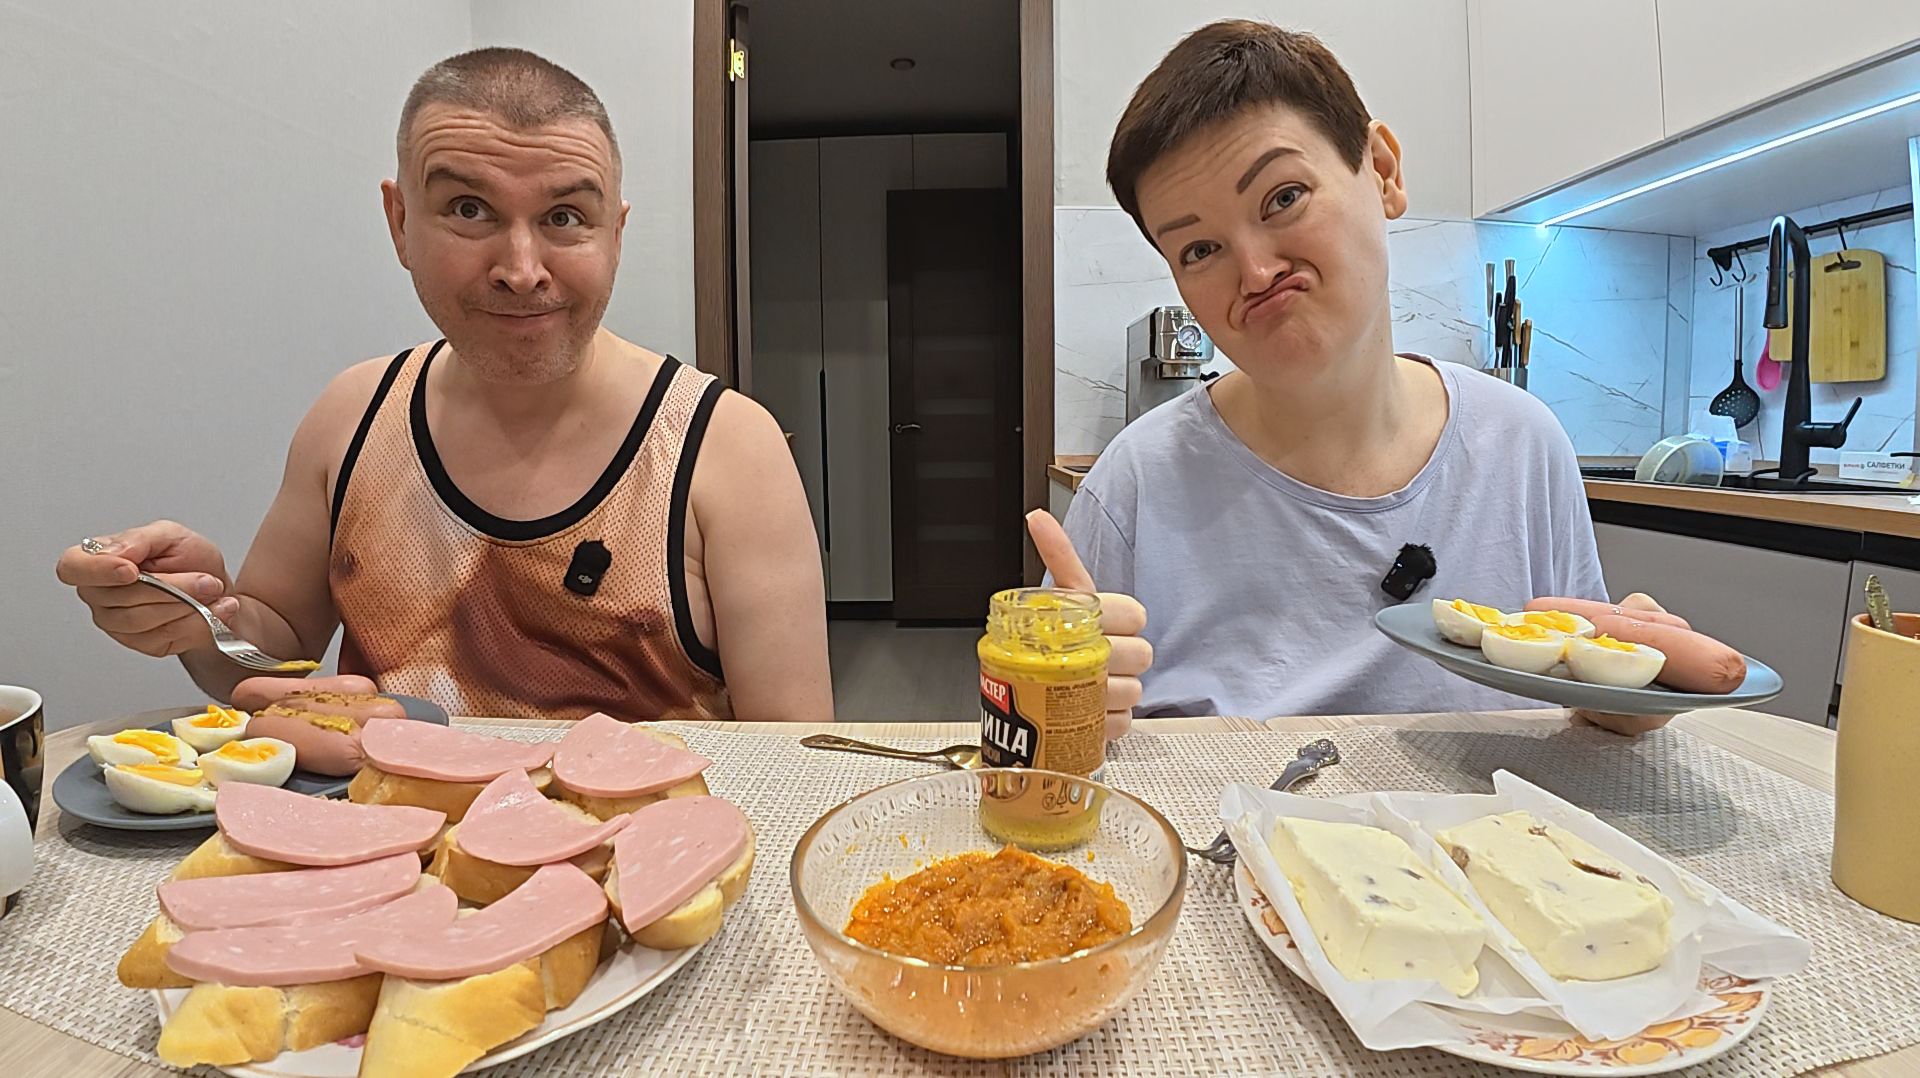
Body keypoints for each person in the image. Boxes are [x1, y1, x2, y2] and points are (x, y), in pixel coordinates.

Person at [54, 48, 831, 724]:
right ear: (400, 222)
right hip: (389, 842)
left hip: (649, 845)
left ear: (616, 234)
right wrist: (203, 615)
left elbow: (798, 758)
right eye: (469, 209)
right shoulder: (352, 417)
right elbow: (271, 658)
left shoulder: (727, 447)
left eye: (565, 217)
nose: (522, 270)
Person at [1055, 20, 1673, 736]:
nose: (1256, 273)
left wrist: (1622, 702)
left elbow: (1575, 696)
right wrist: (1056, 705)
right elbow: (1052, 741)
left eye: (1283, 197)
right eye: (1199, 249)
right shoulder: (1136, 484)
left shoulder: (1521, 446)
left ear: (1382, 171)